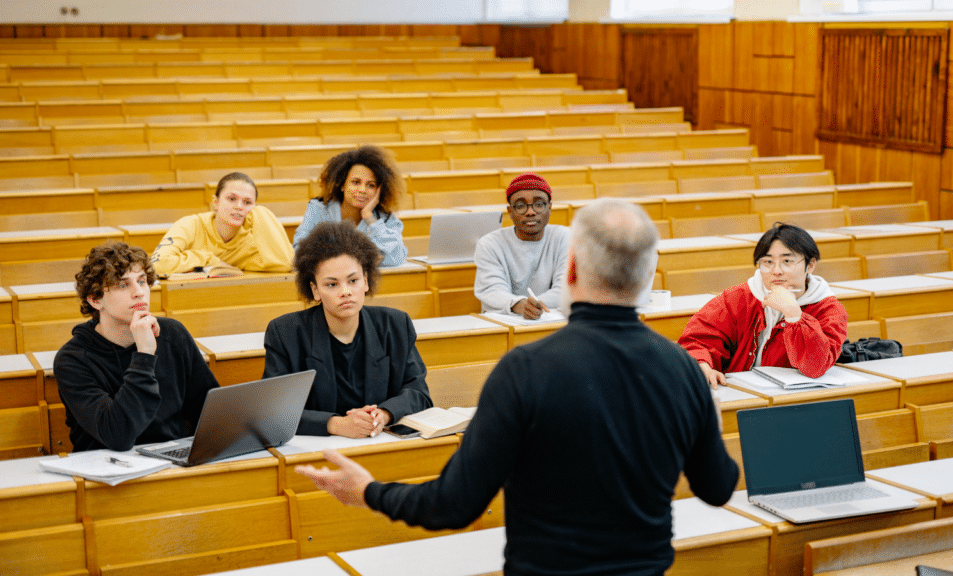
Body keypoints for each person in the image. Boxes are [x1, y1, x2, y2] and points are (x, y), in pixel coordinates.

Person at [296, 198, 739, 576]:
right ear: (648, 276)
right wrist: (707, 417)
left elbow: (454, 504)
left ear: (569, 272)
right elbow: (718, 488)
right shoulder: (682, 369)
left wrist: (368, 491)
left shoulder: (526, 369)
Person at [263, 221, 431, 438]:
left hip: (378, 442)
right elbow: (274, 411)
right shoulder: (285, 333)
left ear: (366, 281)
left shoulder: (395, 325)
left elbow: (419, 393)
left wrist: (385, 414)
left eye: (353, 280)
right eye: (332, 284)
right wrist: (334, 424)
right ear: (314, 290)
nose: (346, 292)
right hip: (317, 451)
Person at [54, 242, 219, 452]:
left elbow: (210, 411)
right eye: (123, 285)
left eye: (142, 281)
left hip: (171, 464)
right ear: (95, 300)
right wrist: (144, 356)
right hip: (107, 471)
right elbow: (118, 435)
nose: (139, 292)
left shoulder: (172, 335)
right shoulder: (72, 360)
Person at [679, 223, 849, 388]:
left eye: (787, 261)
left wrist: (793, 315)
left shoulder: (829, 310)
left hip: (792, 400)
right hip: (739, 392)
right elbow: (698, 339)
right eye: (767, 262)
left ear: (810, 265)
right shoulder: (738, 297)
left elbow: (815, 367)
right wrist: (701, 362)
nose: (776, 271)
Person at [150, 172, 294, 277]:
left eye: (247, 202)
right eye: (231, 199)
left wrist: (261, 213)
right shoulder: (190, 225)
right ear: (216, 202)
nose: (239, 206)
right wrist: (210, 260)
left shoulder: (251, 242)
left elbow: (285, 265)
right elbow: (158, 265)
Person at [291, 145, 409, 267]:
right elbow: (299, 251)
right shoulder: (319, 209)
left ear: (380, 190)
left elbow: (397, 257)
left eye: (371, 185)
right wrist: (362, 258)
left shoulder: (385, 218)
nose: (362, 189)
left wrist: (369, 217)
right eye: (356, 182)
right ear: (342, 185)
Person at [474, 172, 570, 320]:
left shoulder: (565, 237)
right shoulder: (490, 244)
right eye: (520, 206)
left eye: (539, 204)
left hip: (551, 321)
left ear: (550, 208)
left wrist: (534, 306)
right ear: (510, 211)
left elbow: (566, 288)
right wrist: (519, 305)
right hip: (503, 322)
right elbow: (491, 291)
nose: (530, 212)